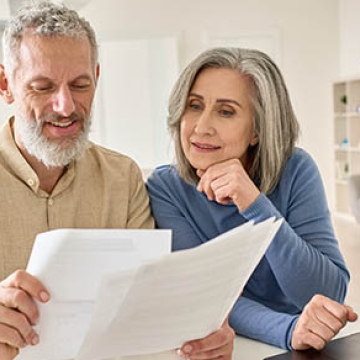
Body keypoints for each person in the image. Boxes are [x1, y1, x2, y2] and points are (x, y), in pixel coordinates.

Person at [0, 3, 234, 360]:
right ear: (6, 85)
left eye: (80, 85)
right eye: (43, 86)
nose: (65, 106)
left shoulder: (123, 178)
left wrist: (200, 332)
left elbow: (150, 305)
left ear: (96, 77)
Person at [147, 47, 358, 351]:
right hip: (228, 344)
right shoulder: (166, 187)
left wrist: (256, 206)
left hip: (299, 343)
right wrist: (287, 329)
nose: (201, 127)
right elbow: (204, 292)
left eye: (225, 111)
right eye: (194, 106)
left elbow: (327, 293)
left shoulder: (296, 169)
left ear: (257, 130)